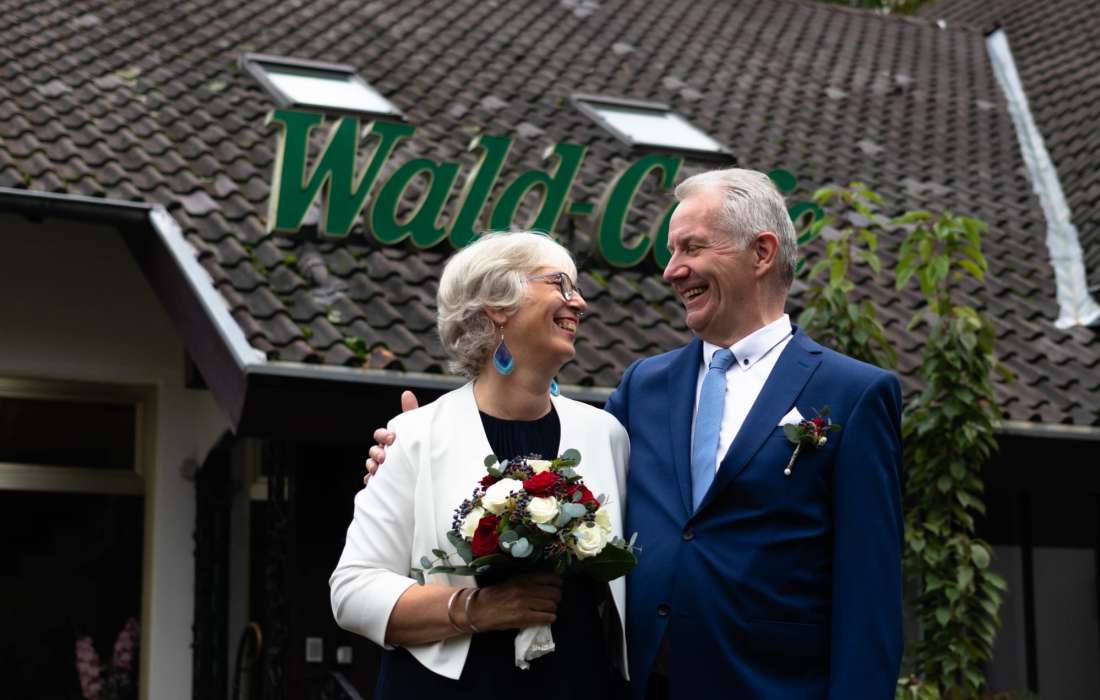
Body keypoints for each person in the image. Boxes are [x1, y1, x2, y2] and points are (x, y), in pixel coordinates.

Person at [365, 169, 904, 699]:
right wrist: (414, 448)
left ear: (761, 253)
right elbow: (554, 454)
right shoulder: (645, 386)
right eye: (671, 252)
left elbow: (869, 594)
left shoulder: (853, 394)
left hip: (771, 685)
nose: (671, 271)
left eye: (691, 247)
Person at [329, 231, 630, 700]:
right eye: (560, 284)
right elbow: (352, 591)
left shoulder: (607, 435)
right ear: (497, 304)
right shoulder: (415, 436)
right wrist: (473, 607)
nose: (579, 302)